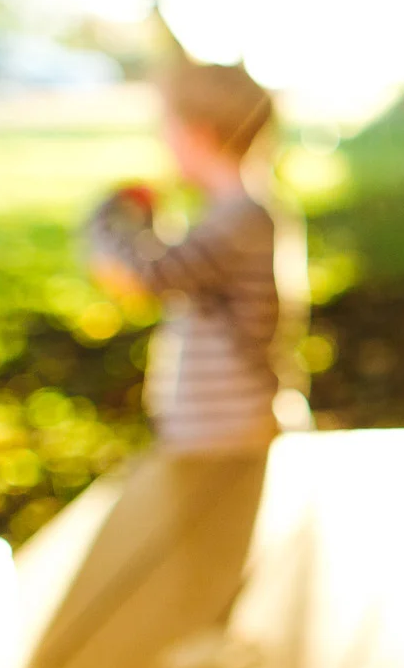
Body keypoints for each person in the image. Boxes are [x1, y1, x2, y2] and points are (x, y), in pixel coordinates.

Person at [84, 60, 309, 456]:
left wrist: (108, 218)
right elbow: (176, 271)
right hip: (221, 422)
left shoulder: (241, 217)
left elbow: (147, 277)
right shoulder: (234, 213)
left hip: (230, 428)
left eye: (166, 127)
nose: (162, 140)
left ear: (197, 135)